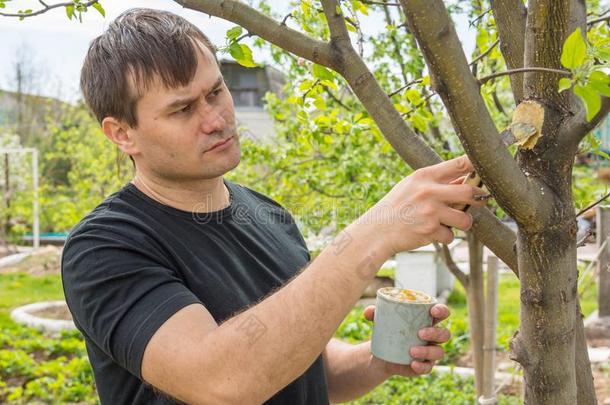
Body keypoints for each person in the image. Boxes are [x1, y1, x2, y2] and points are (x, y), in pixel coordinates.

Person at [62, 8, 488, 405]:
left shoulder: (269, 215)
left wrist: (377, 360)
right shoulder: (103, 248)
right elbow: (222, 382)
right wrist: (373, 233)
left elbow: (302, 366)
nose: (215, 119)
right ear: (122, 134)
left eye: (215, 91)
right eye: (183, 109)